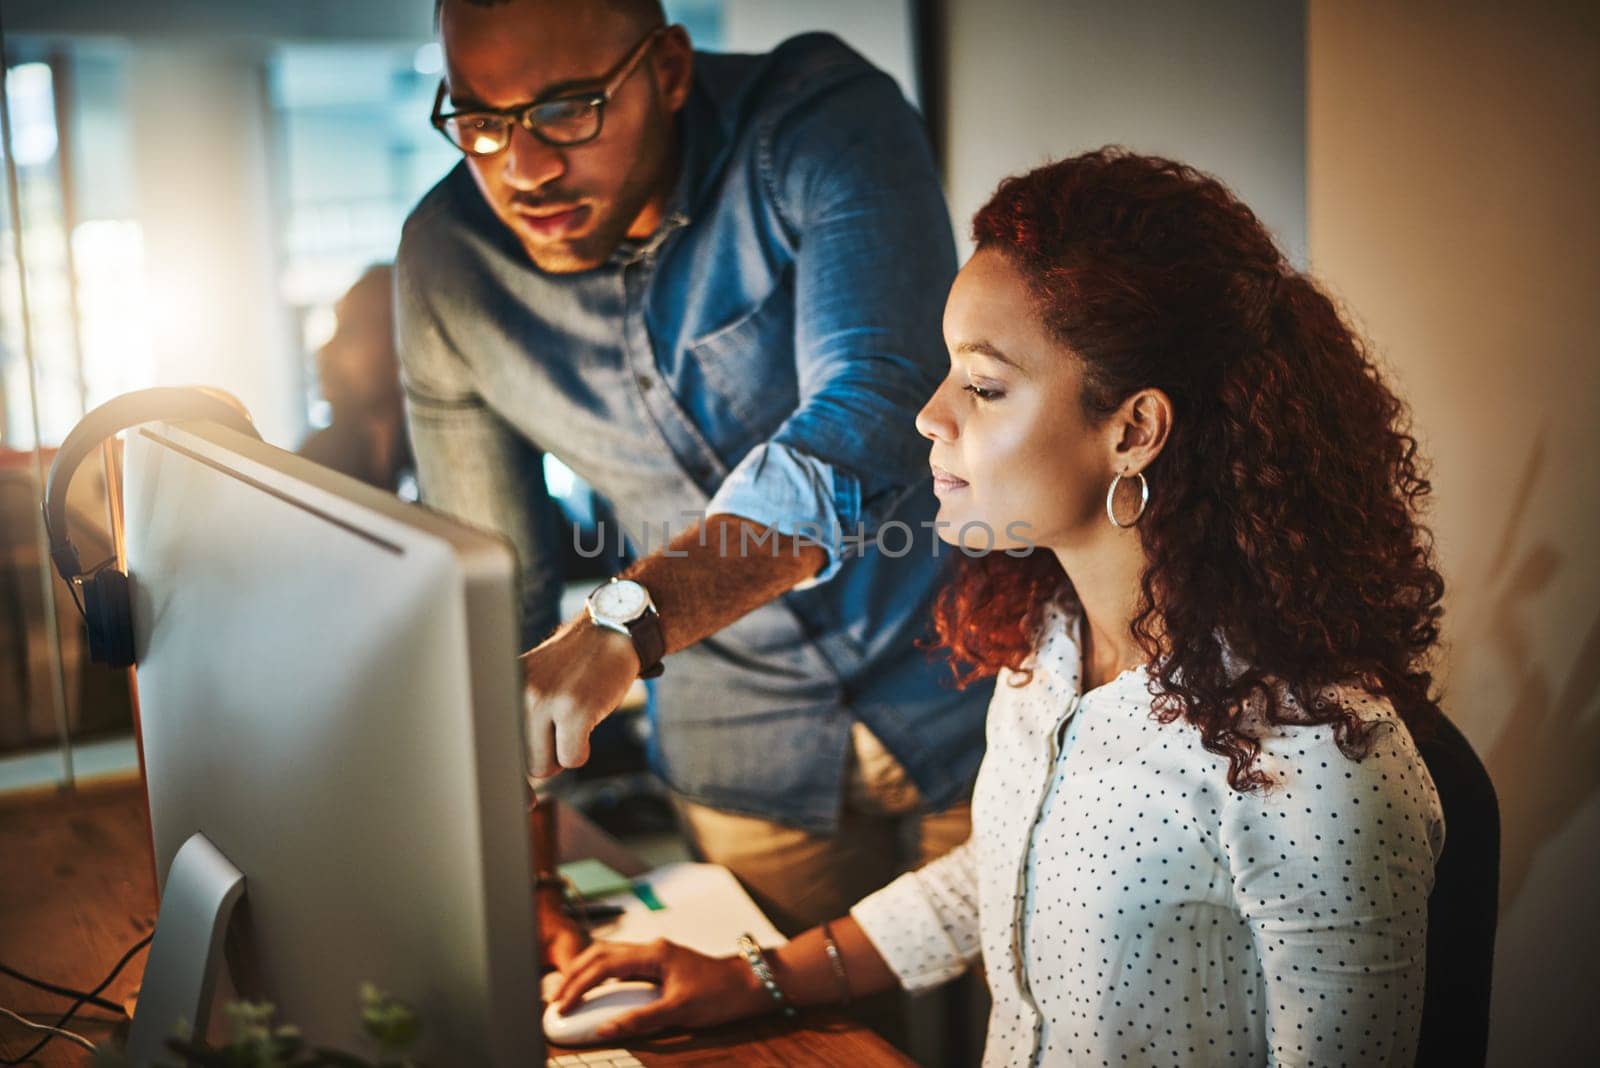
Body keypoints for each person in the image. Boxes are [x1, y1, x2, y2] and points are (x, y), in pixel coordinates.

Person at [550, 149, 1450, 1066]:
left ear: (1132, 430)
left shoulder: (1319, 769)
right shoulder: (1050, 649)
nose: (929, 416)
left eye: (983, 387)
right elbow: (1001, 871)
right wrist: (756, 979)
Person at [397, 0, 987, 942]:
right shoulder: (447, 266)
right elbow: (489, 593)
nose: (526, 166)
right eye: (479, 119)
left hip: (970, 686)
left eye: (568, 109)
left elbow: (873, 400)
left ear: (667, 69)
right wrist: (529, 885)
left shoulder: (818, 117)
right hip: (742, 758)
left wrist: (628, 621)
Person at [298, 264, 413, 493]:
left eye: (350, 332)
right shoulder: (315, 462)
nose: (326, 351)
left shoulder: (444, 455)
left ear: (401, 344)